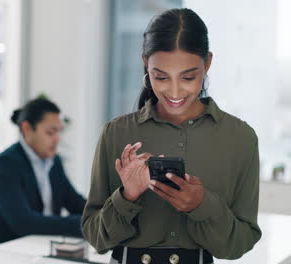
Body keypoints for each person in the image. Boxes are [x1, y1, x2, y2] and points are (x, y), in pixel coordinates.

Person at [82, 8, 261, 264]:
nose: (174, 91)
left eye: (188, 77)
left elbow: (238, 245)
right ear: (145, 63)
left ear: (207, 63)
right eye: (161, 76)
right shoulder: (116, 133)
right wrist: (127, 196)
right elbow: (96, 238)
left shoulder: (240, 138)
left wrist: (201, 205)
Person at [0, 97, 86, 251]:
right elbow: (25, 223)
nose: (57, 139)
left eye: (59, 132)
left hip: (36, 247)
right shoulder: (4, 166)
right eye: (50, 132)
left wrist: (103, 214)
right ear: (26, 129)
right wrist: (83, 223)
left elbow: (74, 202)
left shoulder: (53, 161)